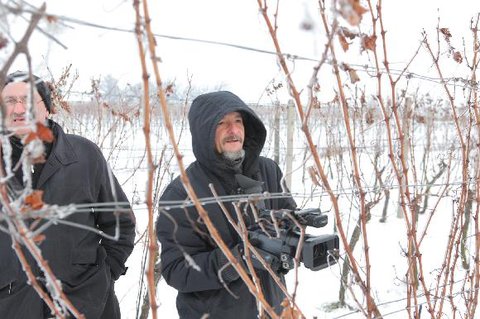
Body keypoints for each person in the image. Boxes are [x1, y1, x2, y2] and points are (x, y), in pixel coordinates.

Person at [0, 71, 136, 318]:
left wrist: (104, 275)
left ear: (48, 108)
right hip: (12, 305)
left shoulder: (84, 155)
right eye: (9, 102)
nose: (19, 109)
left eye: (28, 101)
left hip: (84, 305)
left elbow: (120, 223)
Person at [156, 91, 296, 318]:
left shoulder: (268, 170)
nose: (233, 131)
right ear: (204, 132)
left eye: (238, 121)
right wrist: (237, 260)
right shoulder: (181, 193)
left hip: (273, 308)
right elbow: (176, 270)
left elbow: (289, 217)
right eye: (222, 123)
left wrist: (295, 233)